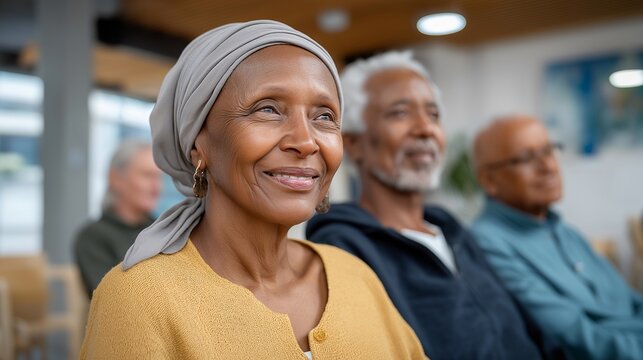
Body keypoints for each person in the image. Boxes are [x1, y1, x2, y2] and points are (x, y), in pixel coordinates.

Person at [80, 20, 424, 359]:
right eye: (268, 109)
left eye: (323, 116)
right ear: (198, 143)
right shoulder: (139, 299)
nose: (306, 142)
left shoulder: (355, 276)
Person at [306, 51, 542, 360]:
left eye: (433, 115)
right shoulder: (344, 248)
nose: (425, 129)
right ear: (354, 143)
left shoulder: (454, 232)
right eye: (400, 113)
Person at [471, 115, 643, 360]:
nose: (549, 167)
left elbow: (631, 301)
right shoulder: (486, 243)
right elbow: (575, 339)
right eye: (528, 158)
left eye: (549, 150)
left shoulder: (565, 231)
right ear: (489, 180)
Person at [74, 139, 161, 297]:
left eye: (158, 177)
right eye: (147, 176)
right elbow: (110, 297)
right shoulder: (93, 237)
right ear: (116, 179)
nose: (156, 187)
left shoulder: (164, 231)